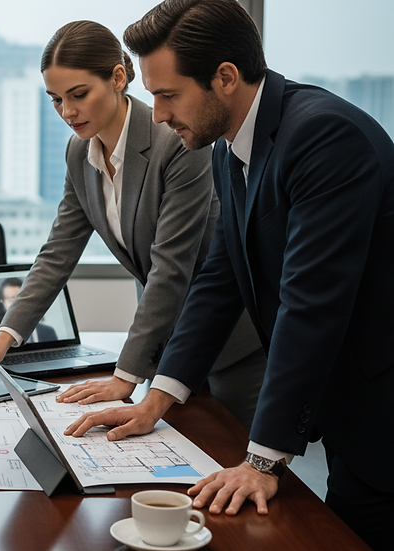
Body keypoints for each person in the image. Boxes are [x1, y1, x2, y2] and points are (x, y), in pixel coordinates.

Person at [63, 1, 394, 548]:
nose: (160, 115)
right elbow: (217, 280)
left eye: (168, 95)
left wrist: (261, 460)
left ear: (225, 77)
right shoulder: (229, 146)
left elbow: (310, 305)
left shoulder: (322, 137)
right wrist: (157, 399)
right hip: (348, 401)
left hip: (379, 402)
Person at [0, 20, 266, 427]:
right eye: (56, 99)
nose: (68, 111)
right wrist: (4, 339)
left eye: (79, 94)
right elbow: (57, 254)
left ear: (117, 77)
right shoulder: (80, 154)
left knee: (242, 471)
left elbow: (170, 267)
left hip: (231, 343)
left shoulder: (175, 141)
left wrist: (124, 376)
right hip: (168, 345)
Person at [0, 278, 57, 343]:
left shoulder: (48, 331)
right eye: (10, 299)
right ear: (3, 302)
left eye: (19, 298)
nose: (16, 303)